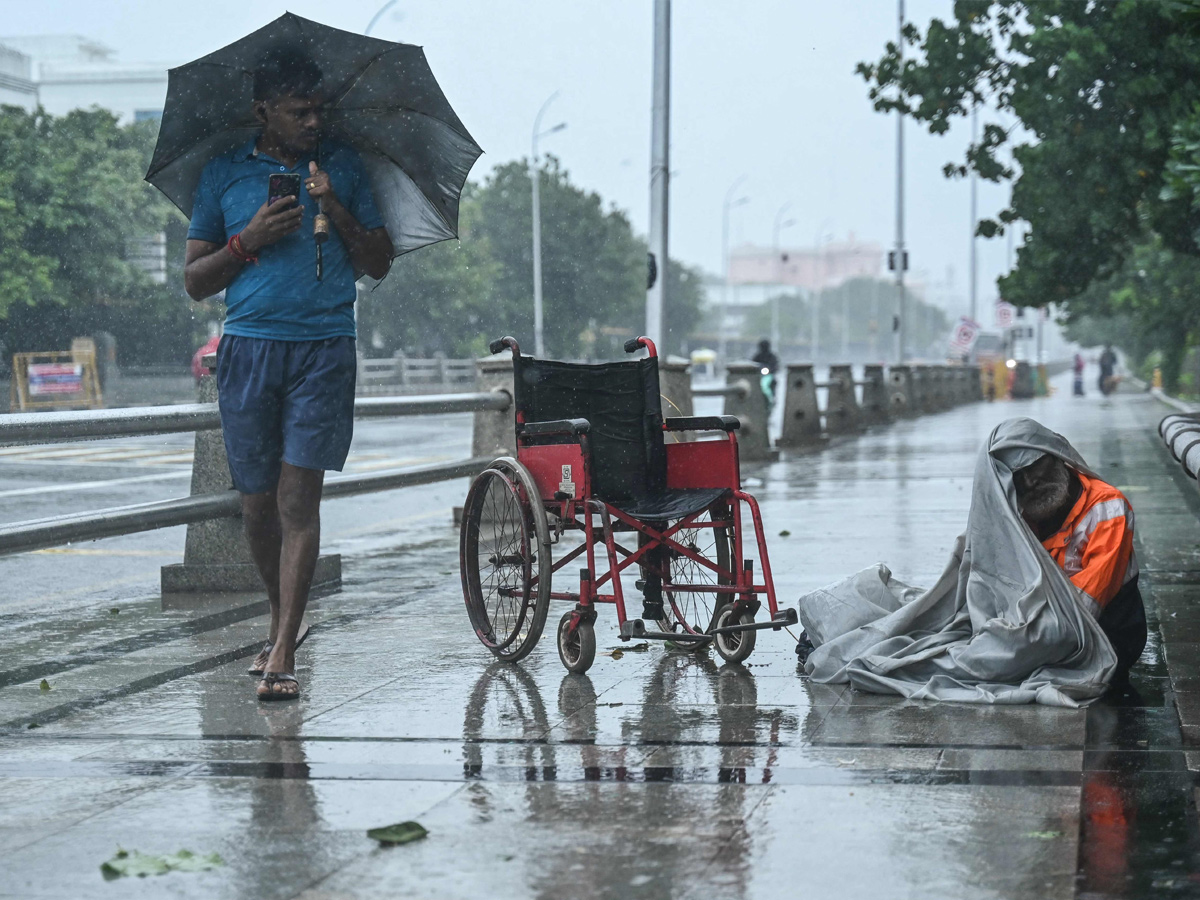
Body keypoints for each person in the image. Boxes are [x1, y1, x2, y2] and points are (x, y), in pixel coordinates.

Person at [183, 48, 394, 701]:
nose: (312, 121)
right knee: (256, 506)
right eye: (299, 111)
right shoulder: (223, 175)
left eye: (318, 110)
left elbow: (379, 262)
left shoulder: (343, 168)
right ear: (262, 111)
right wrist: (248, 240)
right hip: (248, 348)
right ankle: (283, 619)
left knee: (299, 500)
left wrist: (343, 208)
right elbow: (195, 282)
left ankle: (281, 649)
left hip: (324, 348)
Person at [1011, 450, 1145, 685]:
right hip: (1041, 629)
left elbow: (1088, 602)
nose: (1029, 482)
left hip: (1108, 636)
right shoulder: (1018, 509)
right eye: (1018, 474)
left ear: (1057, 458)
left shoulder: (1107, 506)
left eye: (1034, 467)